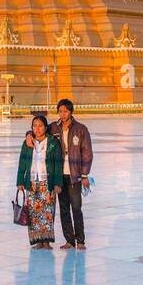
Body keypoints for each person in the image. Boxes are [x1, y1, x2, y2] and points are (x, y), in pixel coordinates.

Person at [15, 115, 64, 249]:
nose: (37, 129)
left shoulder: (53, 143)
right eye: (34, 126)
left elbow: (58, 164)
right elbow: (22, 163)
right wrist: (20, 181)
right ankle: (37, 240)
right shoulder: (27, 143)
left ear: (46, 127)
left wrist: (58, 183)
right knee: (34, 213)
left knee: (47, 212)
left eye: (40, 126)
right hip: (31, 183)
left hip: (47, 182)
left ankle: (46, 241)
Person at [50, 98, 93, 250]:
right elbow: (39, 130)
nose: (62, 114)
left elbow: (87, 153)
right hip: (60, 176)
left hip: (75, 176)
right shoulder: (54, 128)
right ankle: (69, 240)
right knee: (64, 209)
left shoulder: (81, 129)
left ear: (71, 112)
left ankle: (80, 240)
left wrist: (85, 175)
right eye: (60, 111)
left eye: (65, 111)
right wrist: (29, 134)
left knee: (76, 208)